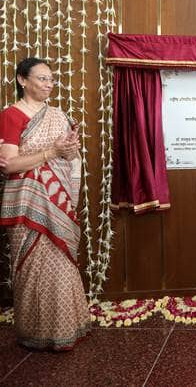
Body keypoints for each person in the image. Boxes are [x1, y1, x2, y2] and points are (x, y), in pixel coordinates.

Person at [0, 57, 91, 351]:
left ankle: (69, 328)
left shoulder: (58, 114)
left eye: (51, 80)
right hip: (28, 204)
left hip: (58, 202)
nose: (48, 85)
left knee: (62, 264)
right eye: (41, 78)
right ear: (22, 80)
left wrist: (69, 151)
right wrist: (51, 150)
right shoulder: (11, 116)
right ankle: (35, 332)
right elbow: (9, 164)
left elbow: (69, 157)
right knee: (32, 268)